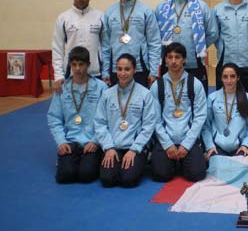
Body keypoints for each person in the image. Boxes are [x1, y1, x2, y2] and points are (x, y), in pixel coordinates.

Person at [94, 53, 157, 188]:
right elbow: (100, 123)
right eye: (119, 69)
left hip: (134, 147)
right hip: (114, 146)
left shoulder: (145, 94)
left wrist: (134, 149)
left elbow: (148, 126)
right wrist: (109, 148)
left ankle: (143, 158)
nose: (123, 73)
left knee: (128, 180)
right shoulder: (107, 94)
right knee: (107, 180)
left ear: (135, 70)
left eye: (127, 69)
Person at [47, 46, 108, 183]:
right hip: (71, 141)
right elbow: (54, 118)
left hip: (92, 141)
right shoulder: (62, 88)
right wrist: (61, 142)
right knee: (65, 177)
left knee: (86, 176)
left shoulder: (101, 87)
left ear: (88, 65)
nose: (78, 69)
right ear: (70, 65)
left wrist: (95, 140)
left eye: (81, 64)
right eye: (74, 65)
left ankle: (95, 159)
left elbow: (106, 118)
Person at [150, 42, 207, 182]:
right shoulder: (157, 85)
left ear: (184, 59)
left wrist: (186, 145)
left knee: (197, 174)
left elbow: (200, 117)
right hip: (166, 140)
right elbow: (154, 119)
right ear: (165, 60)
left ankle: (184, 160)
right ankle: (173, 161)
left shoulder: (195, 84)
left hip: (187, 139)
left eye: (177, 57)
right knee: (160, 175)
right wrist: (167, 144)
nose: (174, 61)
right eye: (170, 57)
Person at [156, 0, 218, 94]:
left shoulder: (201, 7)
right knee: (169, 100)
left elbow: (213, 33)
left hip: (194, 64)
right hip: (169, 65)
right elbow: (155, 37)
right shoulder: (161, 9)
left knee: (197, 101)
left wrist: (198, 47)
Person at [101, 0, 161, 88]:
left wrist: (153, 71)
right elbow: (105, 45)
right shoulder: (109, 12)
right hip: (116, 68)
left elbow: (154, 43)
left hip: (140, 68)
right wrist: (105, 71)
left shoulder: (146, 11)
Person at [52, 0, 103, 93]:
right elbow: (57, 49)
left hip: (95, 73)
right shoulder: (63, 18)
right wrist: (58, 75)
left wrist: (106, 72)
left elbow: (106, 47)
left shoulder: (100, 17)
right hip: (71, 73)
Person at [202, 63, 248, 158]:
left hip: (240, 147)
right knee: (218, 167)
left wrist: (246, 145)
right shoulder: (212, 98)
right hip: (217, 146)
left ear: (238, 78)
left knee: (239, 168)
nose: (229, 80)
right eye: (225, 77)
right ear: (221, 78)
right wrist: (209, 146)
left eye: (232, 76)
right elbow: (206, 126)